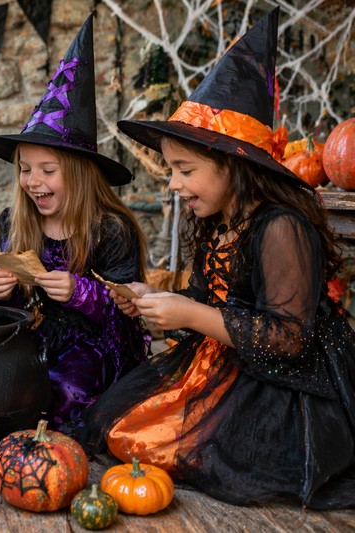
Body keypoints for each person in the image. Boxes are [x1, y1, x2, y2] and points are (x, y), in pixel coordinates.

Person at [78, 8, 355, 509]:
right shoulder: (220, 222)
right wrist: (161, 303)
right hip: (217, 364)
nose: (173, 184)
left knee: (195, 454)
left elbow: (289, 338)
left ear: (234, 166)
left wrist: (191, 315)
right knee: (120, 427)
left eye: (185, 170)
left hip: (279, 384)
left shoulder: (280, 227)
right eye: (171, 169)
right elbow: (211, 304)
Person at [0, 13, 150, 433]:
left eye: (47, 170)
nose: (33, 182)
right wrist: (2, 293)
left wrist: (81, 291)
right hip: (36, 338)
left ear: (79, 173)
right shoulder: (15, 221)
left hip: (98, 347)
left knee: (61, 393)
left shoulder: (109, 228)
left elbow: (128, 309)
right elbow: (14, 311)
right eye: (25, 169)